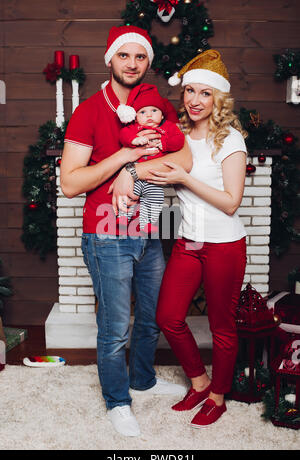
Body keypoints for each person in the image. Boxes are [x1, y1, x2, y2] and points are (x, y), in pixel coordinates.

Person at [60, 25, 191, 438]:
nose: (132, 64)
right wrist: (124, 156)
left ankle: (144, 380)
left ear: (147, 63)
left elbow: (181, 158)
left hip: (150, 229)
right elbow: (70, 184)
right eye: (124, 56)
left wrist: (133, 170)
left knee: (150, 319)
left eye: (140, 57)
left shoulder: (153, 104)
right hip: (106, 234)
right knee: (116, 328)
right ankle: (118, 400)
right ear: (110, 59)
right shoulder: (88, 112)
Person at [147, 49, 248, 426]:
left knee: (222, 326)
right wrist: (129, 172)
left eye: (205, 93)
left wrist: (185, 178)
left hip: (224, 245)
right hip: (188, 242)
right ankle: (200, 381)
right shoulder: (178, 137)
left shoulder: (231, 140)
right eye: (190, 91)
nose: (195, 100)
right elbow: (153, 168)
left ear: (217, 99)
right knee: (168, 317)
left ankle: (218, 397)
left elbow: (232, 202)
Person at [117, 83, 185, 233]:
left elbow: (179, 140)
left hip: (152, 176)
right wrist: (133, 140)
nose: (149, 115)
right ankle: (123, 216)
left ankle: (146, 223)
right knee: (128, 196)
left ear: (161, 115)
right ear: (135, 116)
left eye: (154, 110)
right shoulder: (135, 128)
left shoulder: (167, 127)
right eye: (142, 112)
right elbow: (123, 135)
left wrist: (165, 143)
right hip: (134, 177)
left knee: (155, 198)